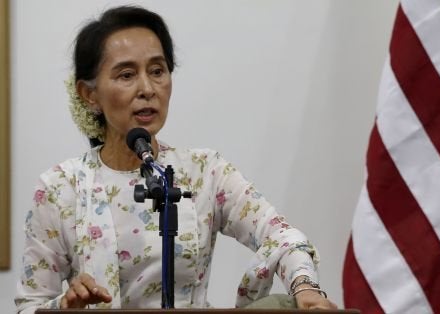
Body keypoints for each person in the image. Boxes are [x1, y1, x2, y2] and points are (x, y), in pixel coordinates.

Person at [15, 5, 337, 312]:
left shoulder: (203, 172)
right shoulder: (60, 189)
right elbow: (30, 306)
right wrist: (64, 308)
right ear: (90, 95)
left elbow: (281, 236)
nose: (147, 88)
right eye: (126, 75)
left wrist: (304, 286)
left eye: (157, 71)